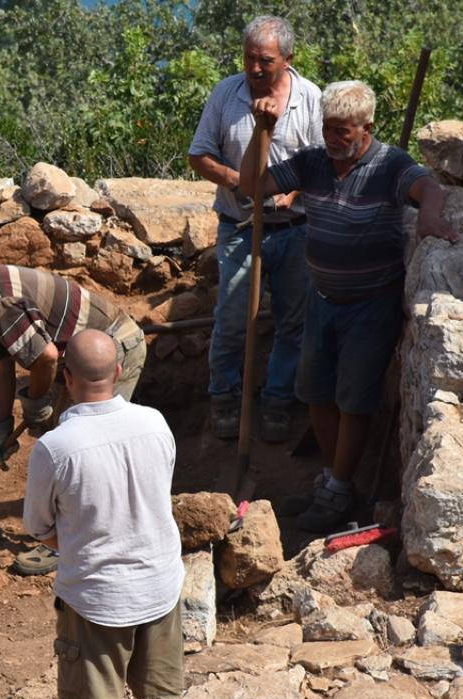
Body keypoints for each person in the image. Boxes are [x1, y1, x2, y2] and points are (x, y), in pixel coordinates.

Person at [241, 81, 457, 532]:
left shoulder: (389, 164)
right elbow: (252, 184)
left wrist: (431, 218)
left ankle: (340, 489)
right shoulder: (314, 162)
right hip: (322, 298)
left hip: (370, 304)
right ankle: (330, 481)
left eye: (342, 131)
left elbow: (429, 190)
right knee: (316, 392)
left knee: (354, 399)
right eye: (327, 128)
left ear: (367, 128)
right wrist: (261, 133)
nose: (332, 138)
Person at [0, 253, 146, 576]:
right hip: (74, 360)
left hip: (111, 350)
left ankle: (81, 540)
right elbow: (0, 365)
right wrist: (0, 426)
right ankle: (70, 531)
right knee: (70, 441)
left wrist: (35, 402)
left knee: (89, 447)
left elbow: (45, 358)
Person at [23, 330, 186, 699]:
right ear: (117, 371)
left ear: (66, 377)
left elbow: (38, 527)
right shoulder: (156, 423)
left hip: (96, 597)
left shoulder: (54, 448)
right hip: (159, 586)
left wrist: (82, 544)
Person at [188, 15, 323, 443]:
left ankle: (278, 400)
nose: (255, 68)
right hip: (240, 227)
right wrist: (239, 182)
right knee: (230, 319)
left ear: (288, 59)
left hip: (295, 228)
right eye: (249, 58)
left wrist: (294, 192)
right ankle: (225, 397)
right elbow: (199, 155)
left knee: (293, 323)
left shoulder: (309, 97)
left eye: (265, 60)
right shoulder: (226, 94)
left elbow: (323, 163)